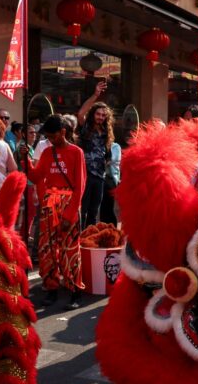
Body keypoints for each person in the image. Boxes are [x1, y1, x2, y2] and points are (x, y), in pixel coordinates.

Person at [19, 114, 86, 309]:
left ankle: (75, 292)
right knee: (46, 249)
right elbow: (35, 176)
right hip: (49, 206)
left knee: (70, 250)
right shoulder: (48, 153)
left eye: (52, 135)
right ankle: (51, 288)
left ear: (63, 132)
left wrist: (70, 214)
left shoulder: (77, 152)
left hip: (68, 205)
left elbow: (80, 187)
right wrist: (26, 159)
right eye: (47, 136)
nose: (50, 139)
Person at [76, 81, 114, 229]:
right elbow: (80, 113)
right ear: (93, 115)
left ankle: (88, 238)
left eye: (103, 115)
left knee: (94, 211)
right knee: (83, 210)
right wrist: (95, 95)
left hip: (100, 176)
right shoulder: (86, 128)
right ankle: (78, 239)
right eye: (98, 114)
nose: (100, 117)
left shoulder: (106, 133)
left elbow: (107, 154)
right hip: (86, 174)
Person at [99, 138, 121, 225]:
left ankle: (111, 231)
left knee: (108, 209)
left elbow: (108, 161)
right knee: (101, 210)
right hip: (100, 179)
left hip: (110, 180)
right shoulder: (97, 145)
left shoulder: (115, 147)